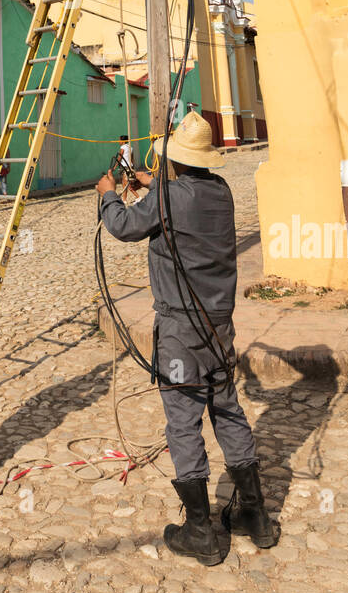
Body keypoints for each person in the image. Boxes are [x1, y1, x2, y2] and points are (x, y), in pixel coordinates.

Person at [95, 110, 278, 566]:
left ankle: (201, 531)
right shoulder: (220, 192)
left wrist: (107, 197)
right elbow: (176, 203)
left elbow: (123, 227)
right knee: (227, 409)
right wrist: (150, 184)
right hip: (220, 326)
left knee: (182, 421)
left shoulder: (169, 197)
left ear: (173, 162)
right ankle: (255, 516)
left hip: (180, 330)